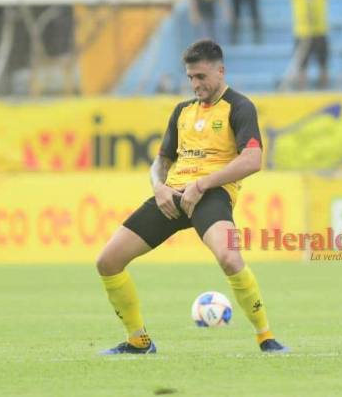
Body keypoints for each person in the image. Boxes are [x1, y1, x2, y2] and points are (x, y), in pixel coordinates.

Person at [96, 39, 288, 355]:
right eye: (190, 78)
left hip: (211, 196)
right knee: (107, 261)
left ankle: (265, 337)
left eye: (201, 77)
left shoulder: (240, 107)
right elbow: (161, 161)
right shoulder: (182, 111)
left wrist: (202, 185)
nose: (195, 84)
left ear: (220, 71)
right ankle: (138, 340)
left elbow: (252, 160)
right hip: (172, 196)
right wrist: (158, 186)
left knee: (230, 257)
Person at [290, 0, 332, 89]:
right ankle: (302, 91)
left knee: (323, 65)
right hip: (302, 32)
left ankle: (324, 89)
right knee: (302, 67)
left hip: (319, 31)